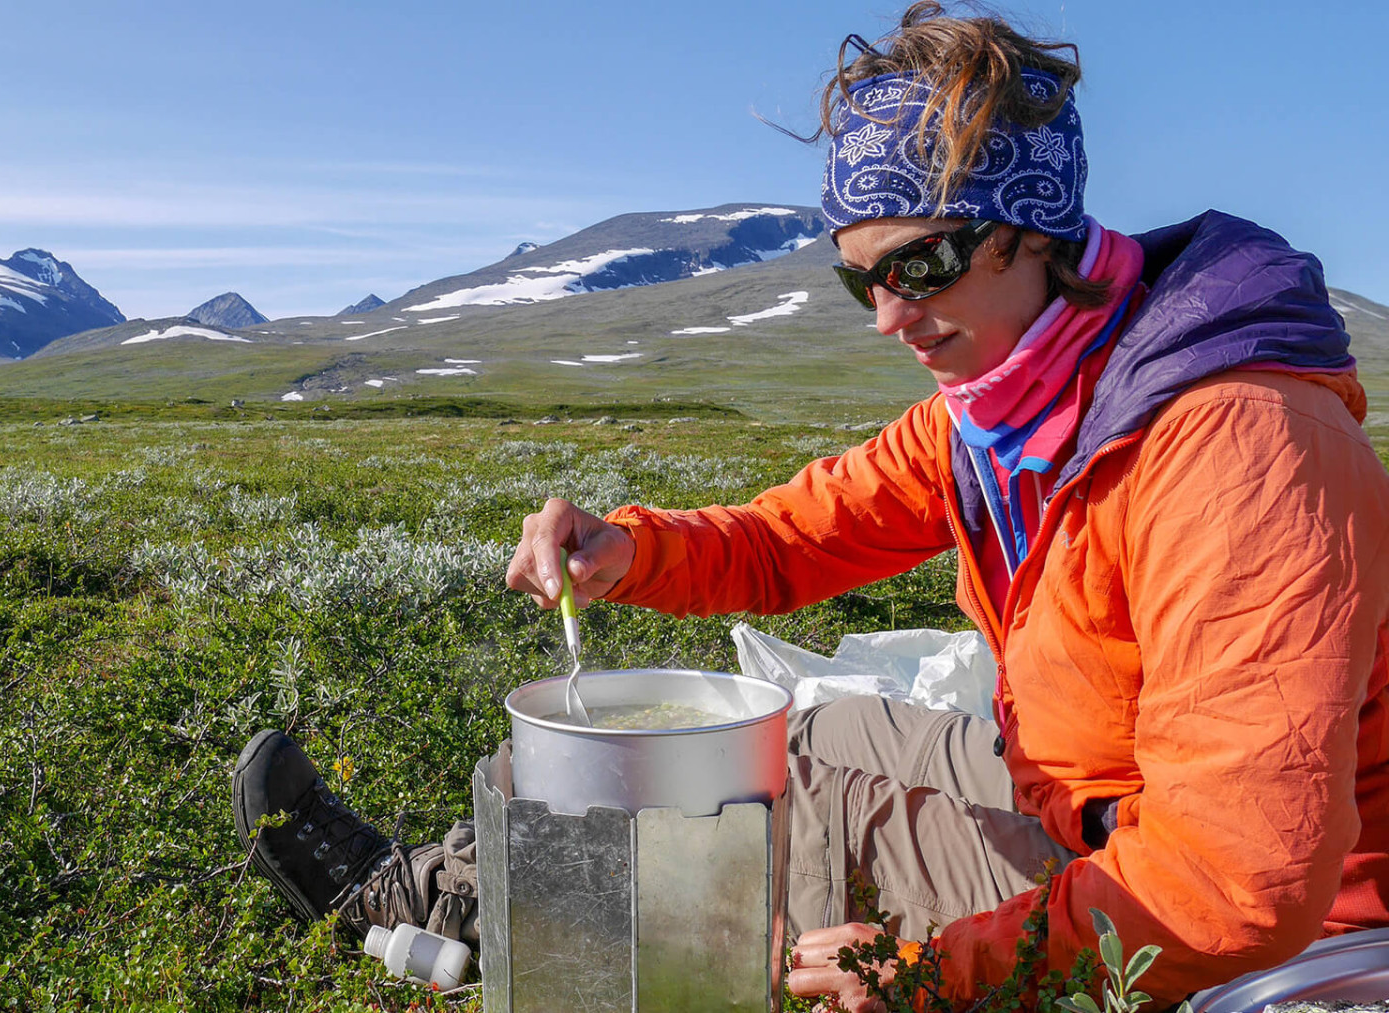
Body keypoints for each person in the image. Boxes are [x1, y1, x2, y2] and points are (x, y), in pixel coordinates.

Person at [231, 3, 1389, 1007]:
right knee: (796, 726)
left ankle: (407, 907)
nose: (891, 316)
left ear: (1035, 224)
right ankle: (455, 890)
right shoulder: (1007, 407)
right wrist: (633, 549)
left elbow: (1245, 881)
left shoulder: (1241, 447)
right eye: (861, 278)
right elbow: (796, 537)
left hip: (1257, 916)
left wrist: (943, 971)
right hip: (1090, 790)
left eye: (922, 265)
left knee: (769, 803)